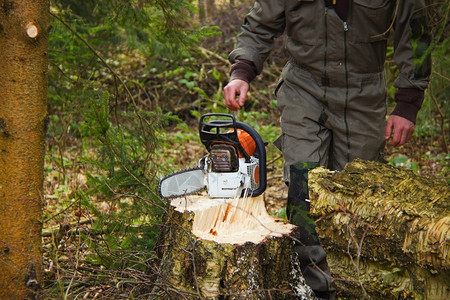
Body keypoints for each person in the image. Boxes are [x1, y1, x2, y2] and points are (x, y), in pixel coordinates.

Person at [223, 1, 431, 299]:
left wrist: (408, 102)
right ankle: (316, 287)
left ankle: (356, 282)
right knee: (302, 184)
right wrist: (242, 71)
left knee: (359, 197)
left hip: (365, 93)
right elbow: (259, 24)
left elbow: (415, 31)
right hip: (303, 87)